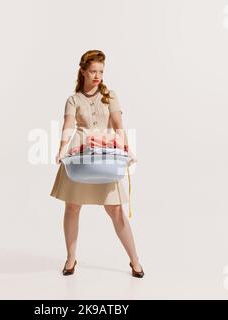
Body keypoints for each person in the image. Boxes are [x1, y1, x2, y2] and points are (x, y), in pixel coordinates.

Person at [50, 50, 144, 278]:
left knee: (117, 211)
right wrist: (62, 149)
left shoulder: (110, 96)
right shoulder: (73, 99)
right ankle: (71, 259)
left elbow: (118, 124)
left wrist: (127, 148)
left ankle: (135, 261)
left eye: (101, 71)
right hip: (80, 158)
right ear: (82, 71)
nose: (97, 75)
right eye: (93, 71)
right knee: (72, 208)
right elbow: (69, 125)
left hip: (104, 157)